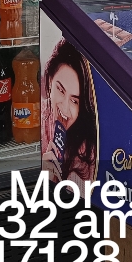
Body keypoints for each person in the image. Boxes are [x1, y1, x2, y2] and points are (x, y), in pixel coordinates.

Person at [41, 39, 97, 192]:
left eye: (74, 101)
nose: (65, 108)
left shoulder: (89, 148)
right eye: (60, 90)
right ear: (50, 81)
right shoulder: (38, 116)